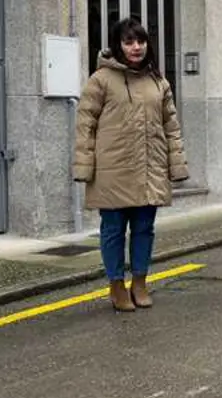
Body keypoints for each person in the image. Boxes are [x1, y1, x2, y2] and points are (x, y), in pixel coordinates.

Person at [73, 17, 189, 312]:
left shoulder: (158, 81)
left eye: (140, 41)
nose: (135, 47)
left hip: (150, 168)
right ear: (118, 45)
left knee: (144, 229)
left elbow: (171, 127)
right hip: (113, 169)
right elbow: (85, 126)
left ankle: (139, 281)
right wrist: (84, 167)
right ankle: (116, 285)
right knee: (113, 230)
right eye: (128, 42)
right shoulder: (100, 80)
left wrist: (176, 165)